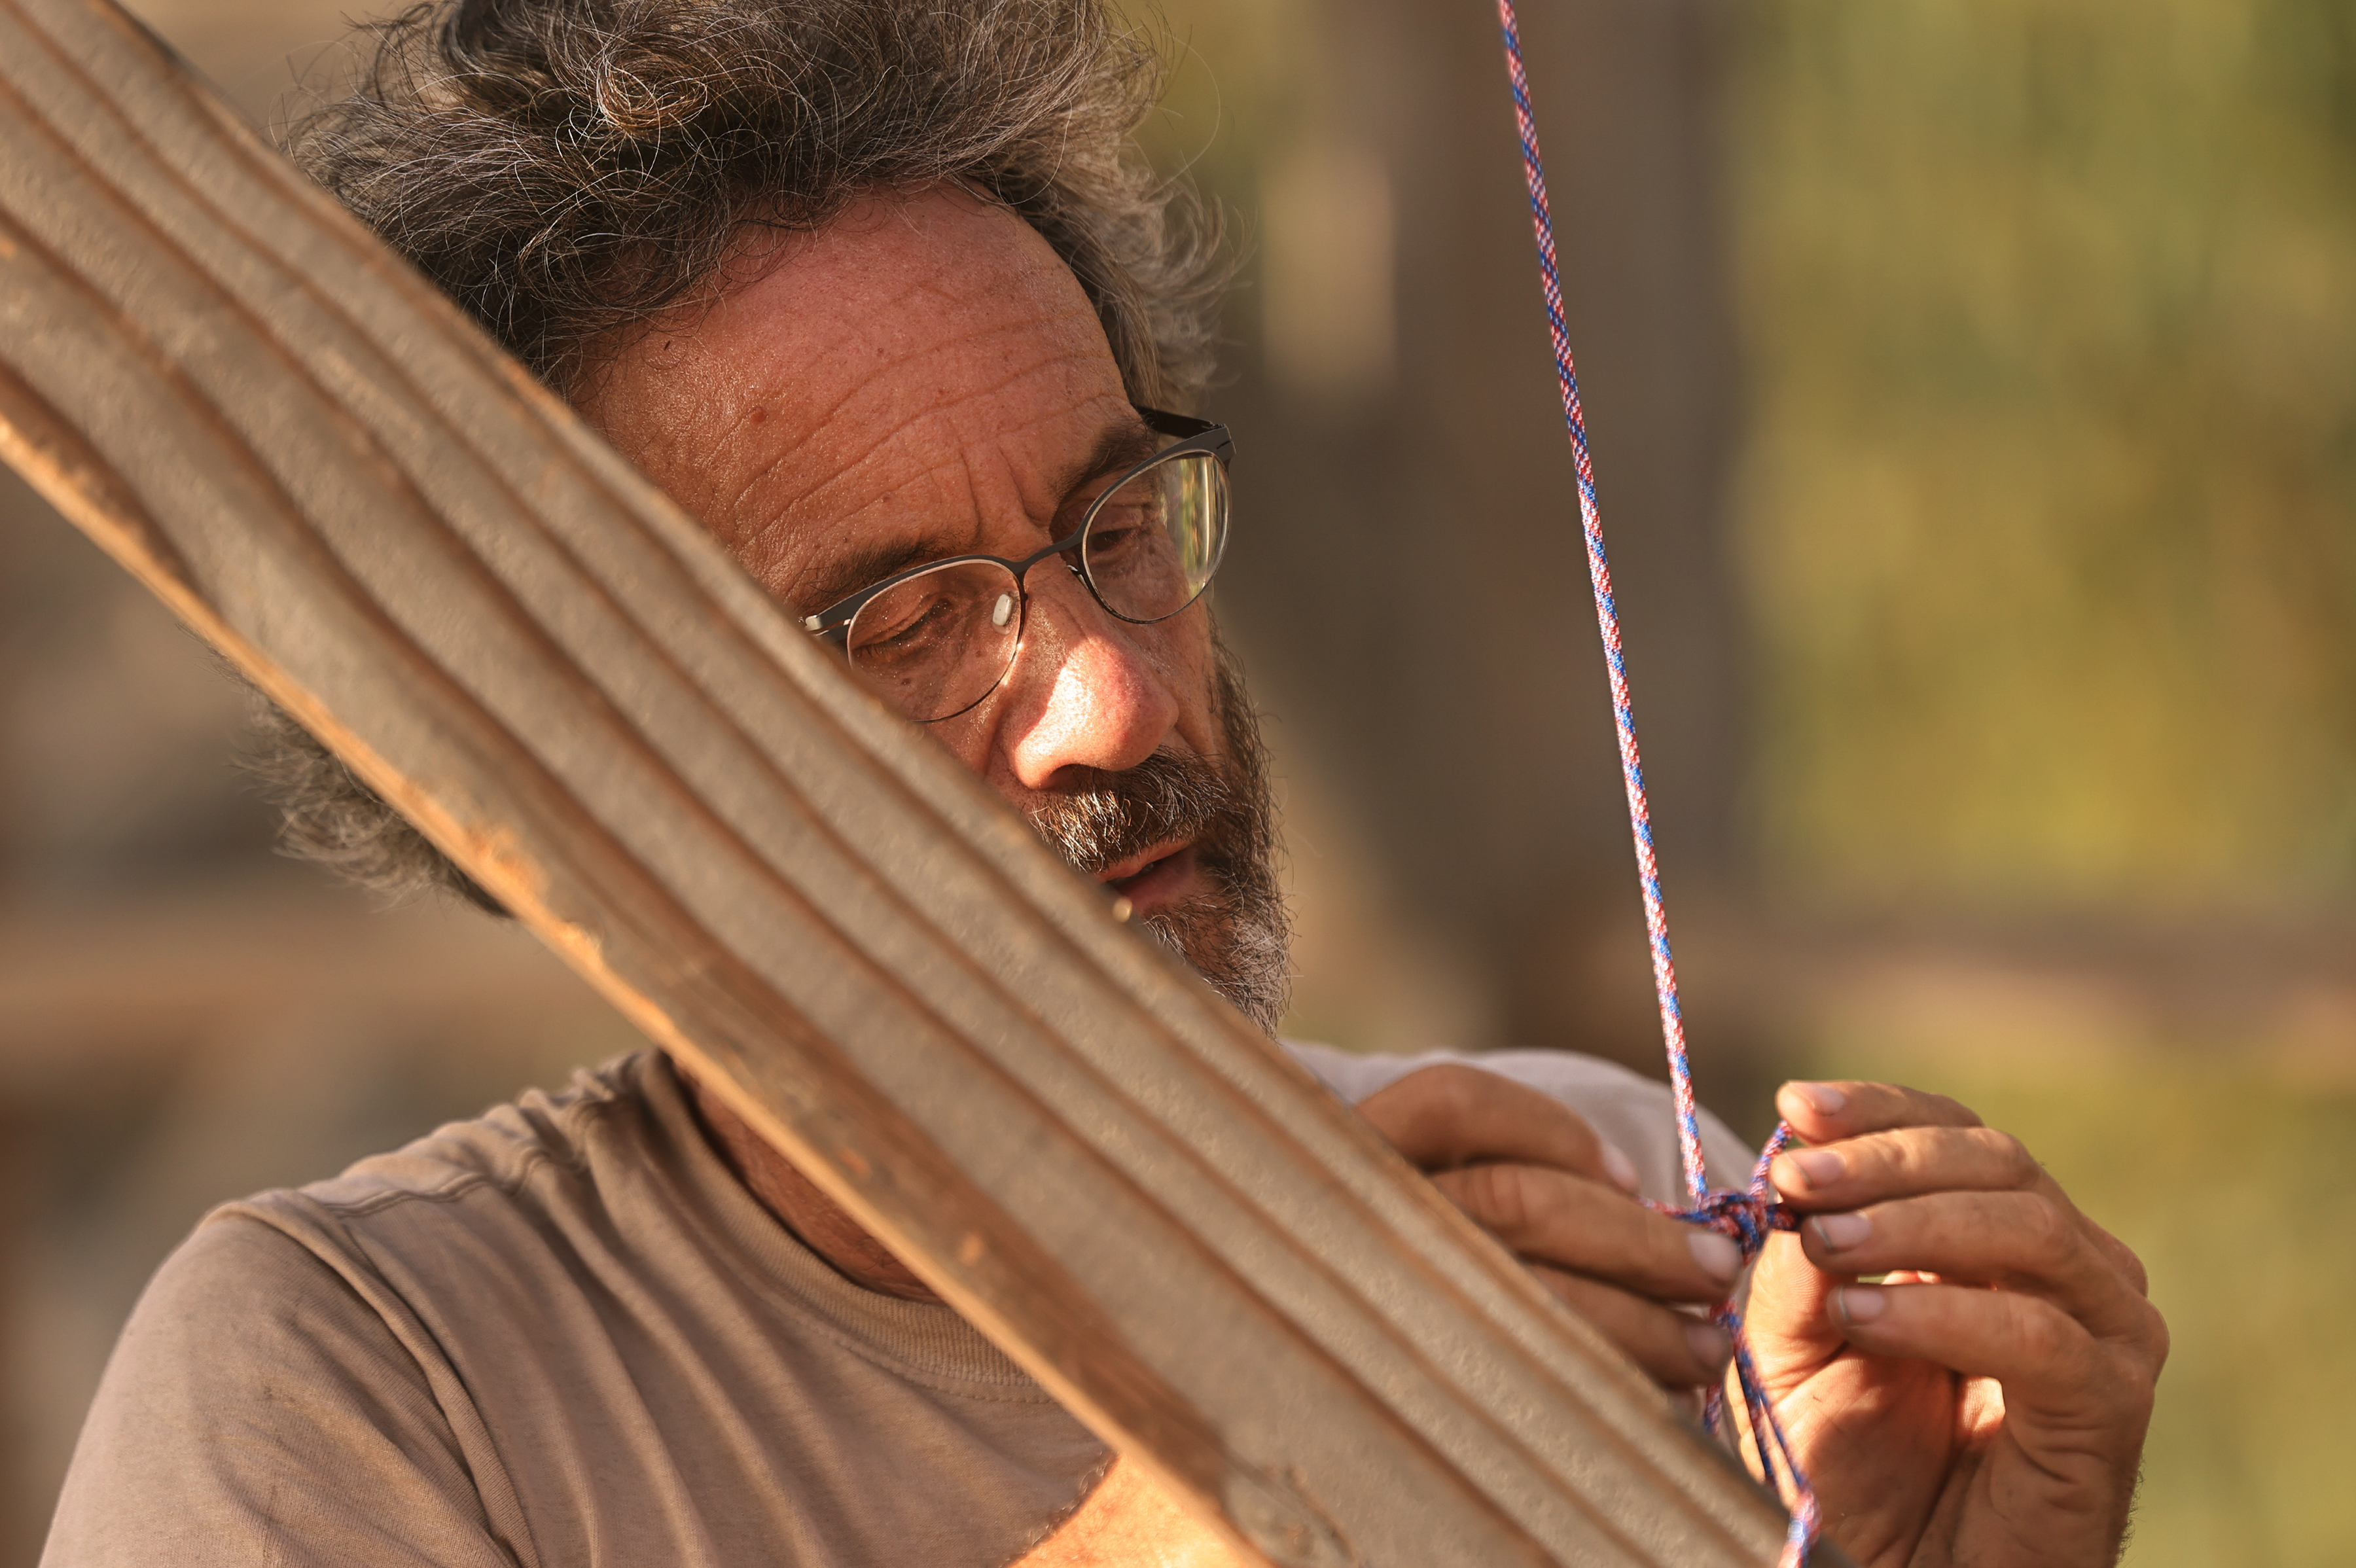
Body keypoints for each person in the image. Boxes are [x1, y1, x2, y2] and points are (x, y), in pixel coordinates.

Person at [41, 0, 2166, 1563]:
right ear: (578, 776)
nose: (1118, 702)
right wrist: (1233, 1509)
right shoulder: (345, 1379)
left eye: (1116, 526)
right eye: (901, 623)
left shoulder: (1609, 1200)